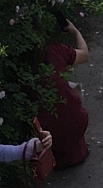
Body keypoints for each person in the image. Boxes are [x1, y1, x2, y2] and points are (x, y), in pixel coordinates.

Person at [34, 19, 91, 167]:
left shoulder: (19, 65)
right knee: (72, 90)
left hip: (45, 132)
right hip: (75, 122)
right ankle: (75, 148)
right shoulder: (54, 51)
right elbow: (84, 54)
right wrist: (75, 31)